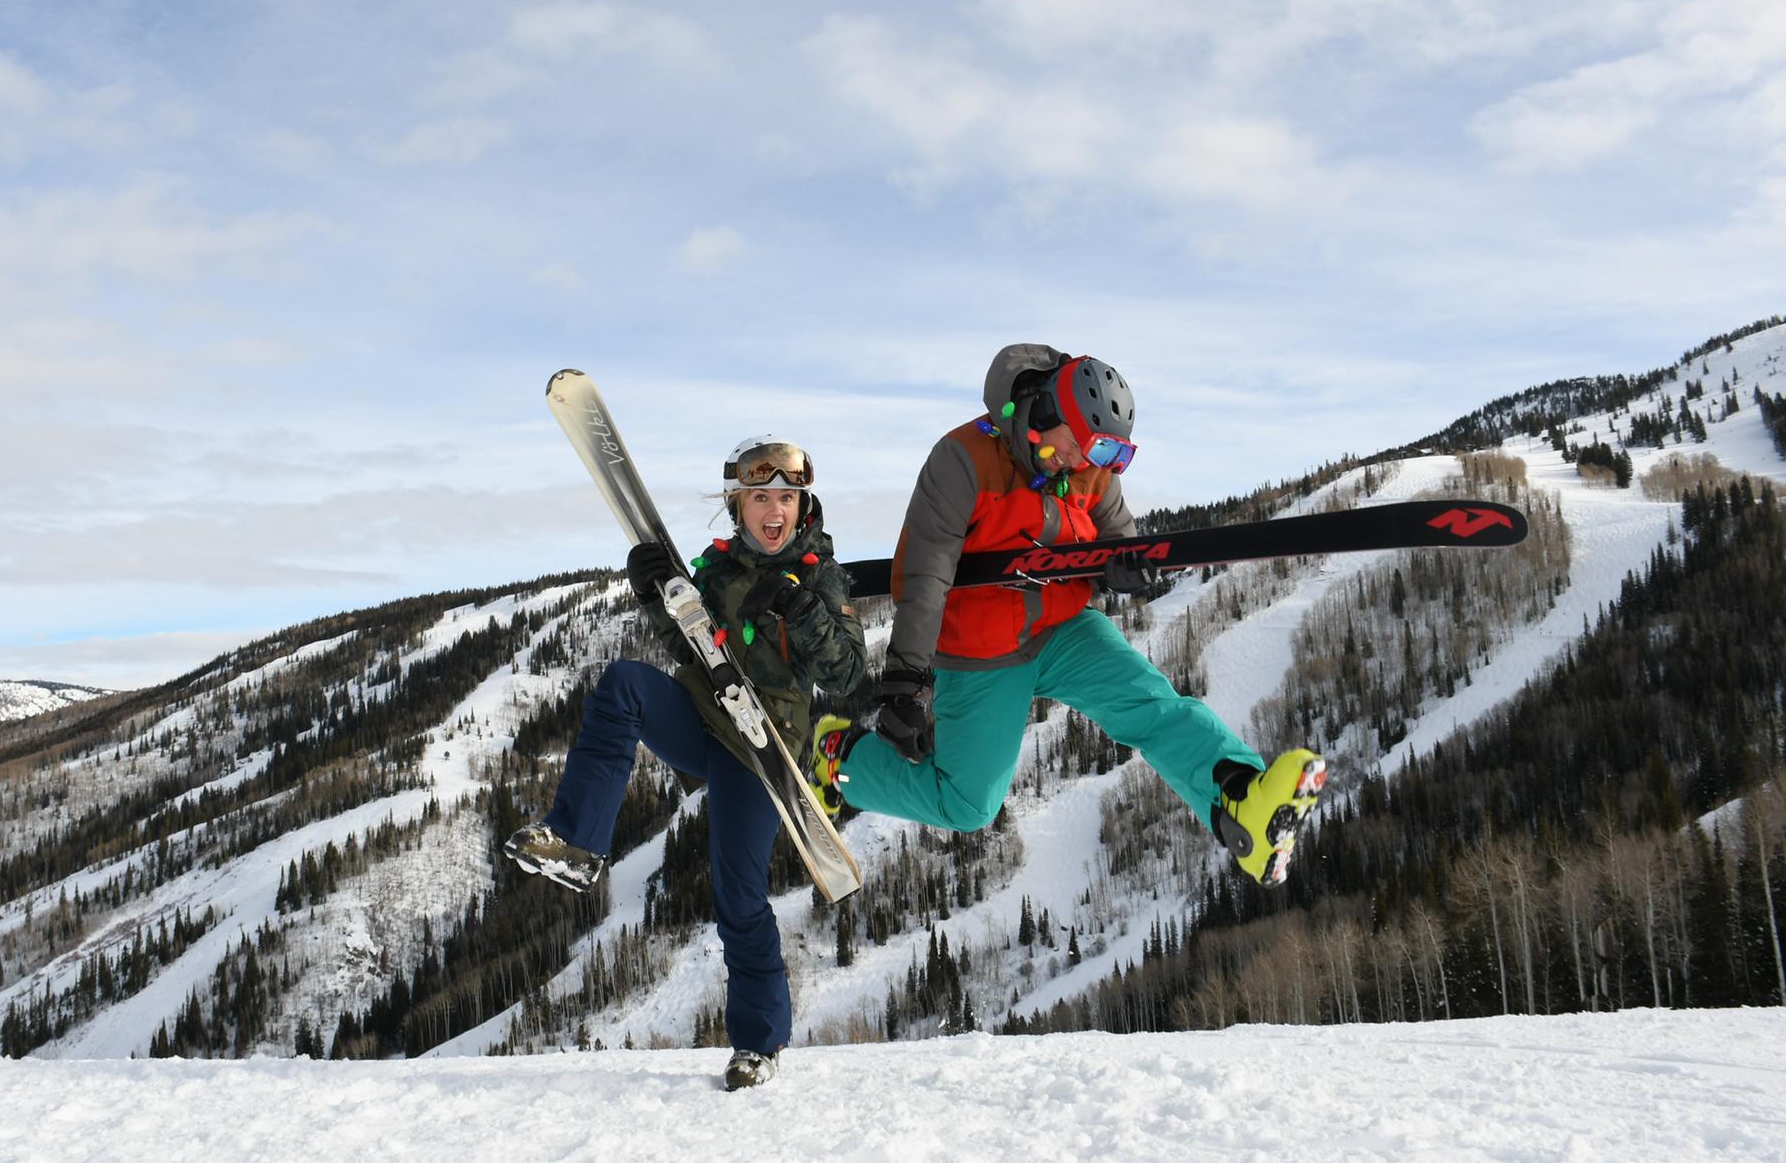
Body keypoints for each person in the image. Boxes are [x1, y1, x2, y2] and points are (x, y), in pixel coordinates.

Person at [811, 345, 1326, 887]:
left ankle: (1240, 801)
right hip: (981, 647)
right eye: (1076, 449)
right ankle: (842, 757)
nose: (1080, 464)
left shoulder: (1093, 469)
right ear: (1048, 413)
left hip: (1062, 627)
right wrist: (905, 681)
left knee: (1153, 707)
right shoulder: (962, 459)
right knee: (968, 806)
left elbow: (1118, 541)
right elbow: (926, 576)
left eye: (1100, 455)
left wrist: (1124, 570)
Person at [504, 435, 866, 1090]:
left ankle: (758, 1046)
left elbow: (845, 672)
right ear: (739, 504)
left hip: (758, 750)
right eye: (760, 496)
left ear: (802, 504)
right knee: (622, 685)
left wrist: (800, 608)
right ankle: (576, 845)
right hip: (704, 714)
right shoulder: (720, 570)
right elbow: (687, 640)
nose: (774, 508)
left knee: (738, 898)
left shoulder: (821, 574)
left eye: (786, 496)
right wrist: (653, 592)